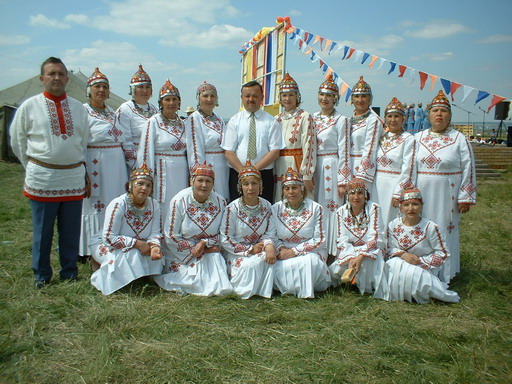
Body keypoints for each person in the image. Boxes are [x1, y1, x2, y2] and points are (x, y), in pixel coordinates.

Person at [10, 57, 90, 288]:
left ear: (67, 78)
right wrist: (34, 166)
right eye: (52, 73)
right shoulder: (29, 106)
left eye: (61, 74)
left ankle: (69, 271)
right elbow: (17, 141)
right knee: (42, 231)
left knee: (71, 230)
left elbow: (83, 141)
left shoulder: (77, 107)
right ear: (42, 78)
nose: (57, 78)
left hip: (72, 176)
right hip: (42, 178)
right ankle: (42, 274)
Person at [415, 90, 477, 283]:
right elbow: (408, 166)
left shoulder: (459, 139)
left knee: (443, 230)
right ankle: (421, 272)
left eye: (443, 111)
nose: (439, 114)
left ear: (449, 115)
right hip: (421, 195)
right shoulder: (418, 137)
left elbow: (469, 167)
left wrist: (465, 197)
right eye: (435, 111)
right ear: (429, 115)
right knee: (421, 229)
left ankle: (444, 274)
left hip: (447, 196)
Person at [154, 163, 232, 296]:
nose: (204, 185)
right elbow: (171, 235)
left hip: (210, 249)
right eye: (200, 180)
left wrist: (205, 244)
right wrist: (193, 249)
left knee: (214, 259)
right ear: (192, 181)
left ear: (213, 184)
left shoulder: (220, 202)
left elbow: (224, 233)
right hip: (182, 252)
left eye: (208, 181)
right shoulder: (179, 201)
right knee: (190, 278)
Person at [90, 165, 164, 295]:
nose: (144, 188)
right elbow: (108, 237)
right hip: (106, 244)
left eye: (148, 185)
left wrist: (154, 246)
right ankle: (98, 263)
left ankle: (138, 274)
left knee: (159, 257)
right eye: (140, 184)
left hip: (141, 245)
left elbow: (155, 232)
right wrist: (137, 244)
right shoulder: (118, 204)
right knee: (132, 255)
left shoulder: (154, 205)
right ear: (130, 186)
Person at [79, 67, 128, 261]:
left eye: (105, 87)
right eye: (97, 86)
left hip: (117, 166)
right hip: (95, 163)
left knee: (115, 203)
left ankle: (113, 241)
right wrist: (84, 173)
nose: (101, 90)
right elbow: (80, 143)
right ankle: (88, 249)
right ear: (89, 90)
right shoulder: (83, 112)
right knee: (95, 206)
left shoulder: (112, 112)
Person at [386, 188, 459, 303]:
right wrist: (404, 255)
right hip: (400, 263)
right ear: (400, 207)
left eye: (415, 204)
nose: (410, 208)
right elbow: (389, 249)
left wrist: (420, 261)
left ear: (421, 206)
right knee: (393, 264)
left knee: (411, 274)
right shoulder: (393, 225)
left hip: (423, 267)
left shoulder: (430, 227)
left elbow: (443, 253)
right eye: (406, 205)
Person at [270, 167, 331, 298]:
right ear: (283, 191)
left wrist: (294, 251)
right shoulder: (275, 209)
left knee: (309, 262)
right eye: (287, 188)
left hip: (310, 250)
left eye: (294, 188)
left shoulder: (316, 208)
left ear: (302, 189)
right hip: (284, 251)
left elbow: (320, 239)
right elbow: (271, 235)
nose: (291, 192)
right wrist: (281, 249)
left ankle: (305, 291)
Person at [220, 161, 277, 298]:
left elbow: (270, 232)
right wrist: (249, 250)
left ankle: (262, 290)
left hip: (260, 249)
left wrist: (267, 245)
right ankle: (246, 290)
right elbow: (225, 238)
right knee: (250, 264)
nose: (250, 188)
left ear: (260, 186)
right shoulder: (232, 209)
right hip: (237, 252)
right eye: (246, 184)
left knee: (268, 259)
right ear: (241, 187)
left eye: (254, 183)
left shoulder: (267, 206)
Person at [222, 80, 284, 203]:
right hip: (238, 174)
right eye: (247, 96)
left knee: (264, 211)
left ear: (262, 97)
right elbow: (228, 151)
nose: (251, 99)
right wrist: (243, 172)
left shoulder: (271, 122)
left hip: (263, 175)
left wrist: (253, 171)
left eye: (255, 96)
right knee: (238, 212)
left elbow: (275, 151)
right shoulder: (234, 121)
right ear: (242, 98)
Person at [137, 79, 188, 221]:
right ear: (161, 103)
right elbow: (145, 151)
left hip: (181, 173)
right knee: (164, 208)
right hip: (162, 173)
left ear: (179, 102)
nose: (171, 103)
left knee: (180, 205)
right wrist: (146, 177)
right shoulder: (153, 122)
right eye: (167, 100)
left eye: (174, 99)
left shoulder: (184, 124)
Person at [329, 178, 388, 299]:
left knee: (367, 261)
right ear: (347, 195)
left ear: (366, 195)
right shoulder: (341, 211)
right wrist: (351, 257)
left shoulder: (374, 208)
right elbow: (341, 238)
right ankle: (351, 282)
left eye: (360, 193)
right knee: (339, 267)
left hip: (370, 249)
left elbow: (375, 237)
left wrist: (360, 256)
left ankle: (363, 285)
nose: (356, 197)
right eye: (352, 193)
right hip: (350, 250)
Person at [312, 73, 351, 257]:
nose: (324, 98)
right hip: (314, 166)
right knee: (316, 206)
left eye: (328, 95)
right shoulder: (312, 118)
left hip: (332, 165)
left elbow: (344, 150)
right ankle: (317, 247)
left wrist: (343, 180)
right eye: (322, 94)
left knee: (331, 207)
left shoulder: (341, 120)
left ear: (335, 98)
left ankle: (333, 250)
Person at [371, 97, 417, 227]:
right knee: (376, 218)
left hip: (394, 184)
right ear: (385, 118)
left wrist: (399, 191)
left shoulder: (408, 139)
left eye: (396, 116)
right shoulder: (380, 137)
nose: (393, 120)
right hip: (377, 184)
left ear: (403, 118)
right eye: (389, 116)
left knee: (391, 220)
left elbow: (409, 168)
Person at [274, 73, 317, 200]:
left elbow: (309, 146)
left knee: (300, 198)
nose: (287, 98)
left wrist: (307, 175)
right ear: (280, 98)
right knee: (280, 197)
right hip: (280, 164)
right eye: (284, 95)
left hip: (298, 164)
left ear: (297, 96)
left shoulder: (305, 116)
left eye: (291, 95)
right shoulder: (276, 119)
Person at [186, 81, 229, 200]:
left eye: (212, 96)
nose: (209, 99)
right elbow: (195, 148)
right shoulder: (194, 118)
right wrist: (199, 173)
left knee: (223, 198)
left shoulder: (219, 119)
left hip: (223, 166)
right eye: (205, 96)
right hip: (208, 165)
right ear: (198, 98)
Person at [116, 64, 158, 172]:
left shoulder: (155, 110)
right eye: (141, 87)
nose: (144, 91)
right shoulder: (125, 109)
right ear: (133, 89)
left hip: (155, 160)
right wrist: (138, 166)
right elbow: (125, 141)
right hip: (136, 165)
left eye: (147, 87)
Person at [349, 76, 384, 187]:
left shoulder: (373, 120)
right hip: (348, 168)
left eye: (364, 96)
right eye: (357, 96)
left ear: (370, 99)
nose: (360, 100)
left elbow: (370, 149)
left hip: (363, 171)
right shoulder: (348, 120)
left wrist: (361, 176)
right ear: (352, 99)